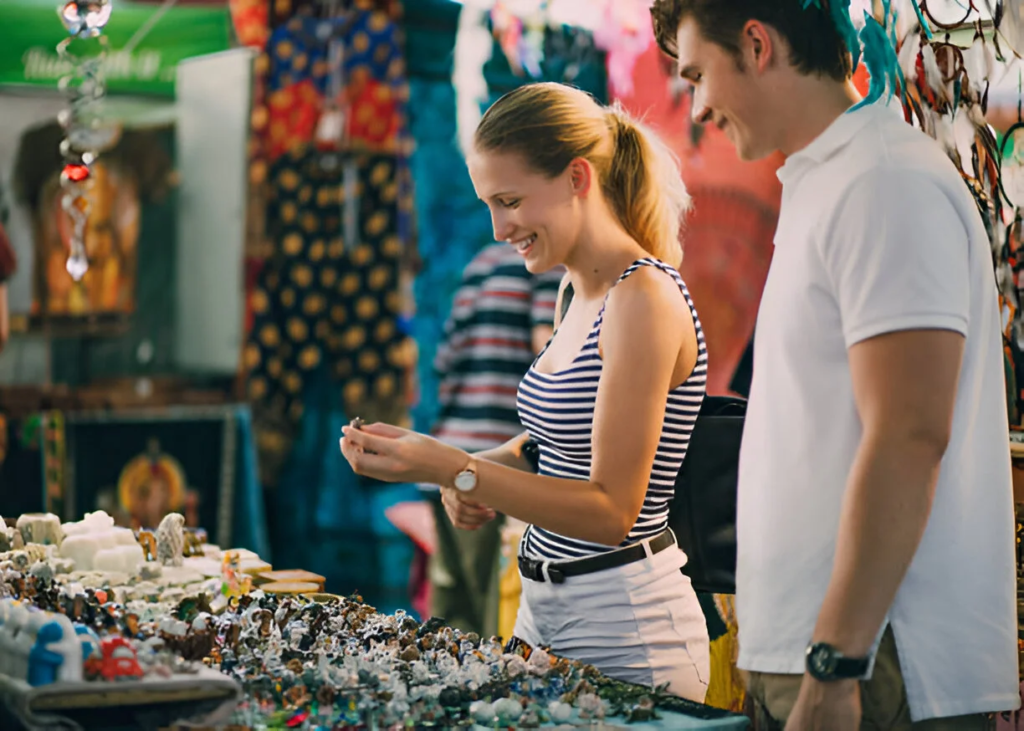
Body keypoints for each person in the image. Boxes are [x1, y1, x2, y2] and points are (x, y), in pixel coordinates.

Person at [650, 1, 1019, 728]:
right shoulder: (833, 176)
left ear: (756, 44)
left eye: (697, 75)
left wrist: (834, 662)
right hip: (830, 657)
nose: (696, 109)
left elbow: (909, 436)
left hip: (876, 667)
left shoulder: (884, 182)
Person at [341, 81, 711, 701]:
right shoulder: (578, 292)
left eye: (509, 200)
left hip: (625, 629)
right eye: (489, 203)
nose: (497, 228)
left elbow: (610, 511)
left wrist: (459, 470)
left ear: (575, 178)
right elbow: (549, 445)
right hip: (545, 614)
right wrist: (440, 465)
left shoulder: (642, 297)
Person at [425, 241, 562, 638]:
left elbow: (444, 362)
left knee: (450, 621)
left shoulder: (479, 263)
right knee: (493, 620)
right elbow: (549, 351)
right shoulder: (547, 267)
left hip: (451, 453)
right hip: (499, 463)